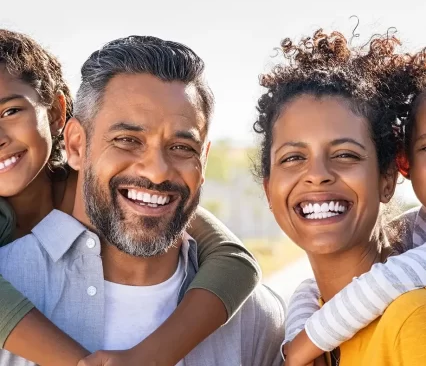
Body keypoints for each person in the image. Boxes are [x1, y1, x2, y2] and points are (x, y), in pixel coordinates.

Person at [0, 35, 285, 366]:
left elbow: (233, 258)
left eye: (181, 147)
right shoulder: (15, 273)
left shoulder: (255, 321)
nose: (156, 172)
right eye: (127, 140)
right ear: (78, 146)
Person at [253, 29, 426, 365]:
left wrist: (306, 339)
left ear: (388, 177)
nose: (317, 174)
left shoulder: (412, 318)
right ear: (268, 190)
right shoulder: (303, 319)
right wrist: (299, 330)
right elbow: (311, 288)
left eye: (346, 154)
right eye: (292, 157)